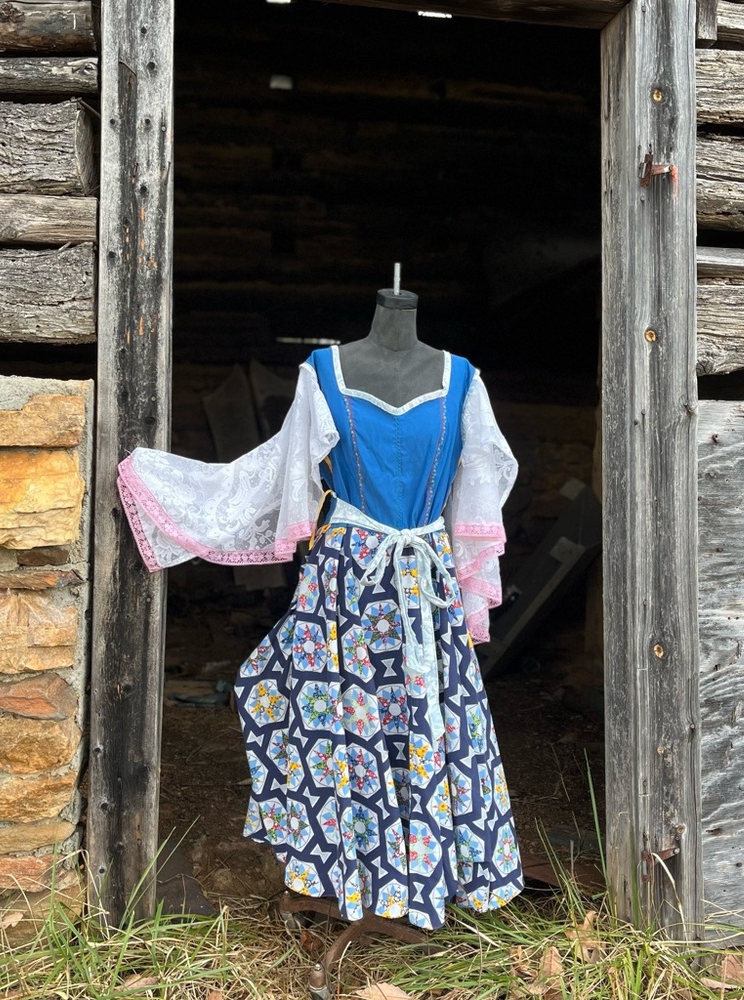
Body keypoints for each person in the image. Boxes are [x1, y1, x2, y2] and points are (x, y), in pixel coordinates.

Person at [117, 285, 524, 929]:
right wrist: (173, 491)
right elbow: (287, 473)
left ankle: (410, 879)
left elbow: (479, 484)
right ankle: (342, 872)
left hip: (414, 582)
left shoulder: (463, 380)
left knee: (411, 721)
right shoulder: (324, 372)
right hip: (350, 587)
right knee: (328, 715)